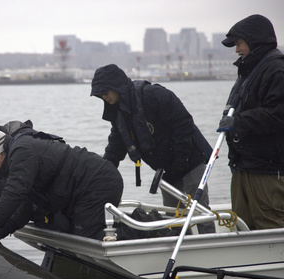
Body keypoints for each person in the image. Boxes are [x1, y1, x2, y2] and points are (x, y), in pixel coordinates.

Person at [90, 64, 215, 234]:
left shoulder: (152, 94)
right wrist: (103, 171)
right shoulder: (118, 113)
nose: (104, 97)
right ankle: (182, 249)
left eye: (105, 92)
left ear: (116, 86)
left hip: (191, 158)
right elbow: (115, 146)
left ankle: (209, 245)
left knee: (199, 209)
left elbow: (183, 123)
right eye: (100, 95)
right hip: (166, 167)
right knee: (173, 217)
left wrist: (182, 157)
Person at [0, 127, 124, 241]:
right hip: (87, 186)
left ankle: (144, 231)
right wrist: (3, 229)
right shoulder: (17, 156)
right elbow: (29, 203)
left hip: (98, 182)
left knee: (88, 237)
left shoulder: (22, 151)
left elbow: (13, 193)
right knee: (75, 232)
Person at [216, 14, 284, 230]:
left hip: (266, 169)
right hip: (243, 166)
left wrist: (238, 122)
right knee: (240, 225)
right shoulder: (248, 70)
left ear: (254, 40)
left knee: (270, 224)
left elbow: (277, 113)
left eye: (239, 43)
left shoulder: (275, 70)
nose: (237, 49)